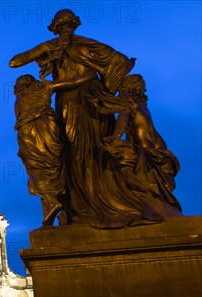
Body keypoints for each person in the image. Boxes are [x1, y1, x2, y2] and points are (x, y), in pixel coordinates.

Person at [10, 9, 159, 228]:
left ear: (55, 27)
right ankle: (91, 204)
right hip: (93, 101)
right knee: (88, 150)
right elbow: (119, 62)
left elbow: (14, 62)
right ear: (74, 25)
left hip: (74, 101)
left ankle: (86, 207)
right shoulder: (91, 45)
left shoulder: (54, 46)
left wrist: (44, 53)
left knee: (76, 151)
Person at [14, 72, 95, 225]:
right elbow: (72, 81)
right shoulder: (44, 87)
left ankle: (52, 203)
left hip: (28, 136)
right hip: (47, 130)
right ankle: (57, 207)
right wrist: (90, 75)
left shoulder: (19, 99)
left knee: (37, 171)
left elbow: (20, 119)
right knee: (55, 168)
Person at [104, 74, 182, 217]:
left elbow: (124, 117)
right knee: (162, 185)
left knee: (138, 174)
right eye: (142, 85)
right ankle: (162, 206)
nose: (144, 89)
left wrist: (115, 137)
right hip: (160, 148)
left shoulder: (127, 97)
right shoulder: (142, 105)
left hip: (145, 145)